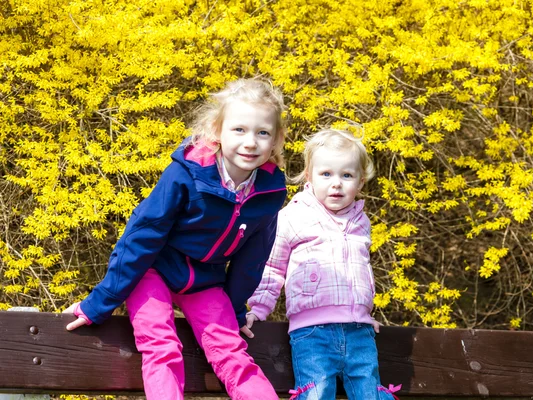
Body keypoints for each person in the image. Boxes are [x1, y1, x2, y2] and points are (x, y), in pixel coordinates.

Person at [63, 78, 287, 400]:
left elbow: (252, 258)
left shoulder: (269, 192)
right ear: (217, 130)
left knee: (232, 353)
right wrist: (100, 302)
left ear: (276, 139)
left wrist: (236, 309)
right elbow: (142, 236)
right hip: (153, 270)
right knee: (161, 344)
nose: (250, 142)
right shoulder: (186, 174)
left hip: (205, 281)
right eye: (239, 130)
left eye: (262, 132)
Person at [245, 128, 401, 400]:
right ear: (309, 176)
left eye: (347, 175)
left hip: (359, 331)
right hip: (312, 333)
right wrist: (257, 308)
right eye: (326, 174)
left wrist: (362, 310)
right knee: (316, 394)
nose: (336, 183)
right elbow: (272, 267)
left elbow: (359, 269)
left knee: (370, 394)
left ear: (360, 182)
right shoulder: (293, 216)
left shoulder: (361, 222)